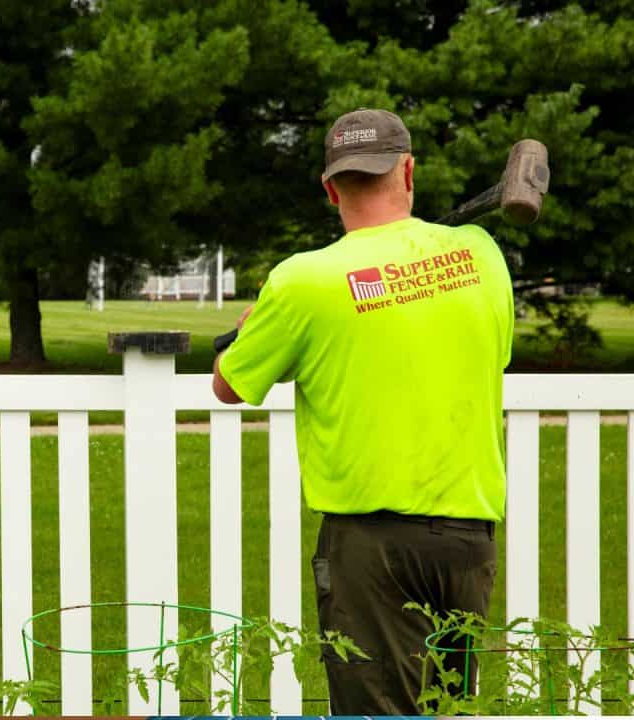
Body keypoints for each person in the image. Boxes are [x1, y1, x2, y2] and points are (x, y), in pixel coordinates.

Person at [212, 108, 514, 715]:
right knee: (446, 710)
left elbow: (229, 385)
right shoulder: (480, 255)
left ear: (331, 188)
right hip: (467, 540)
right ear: (408, 171)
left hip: (370, 551)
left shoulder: (303, 282)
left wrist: (253, 330)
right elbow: (496, 351)